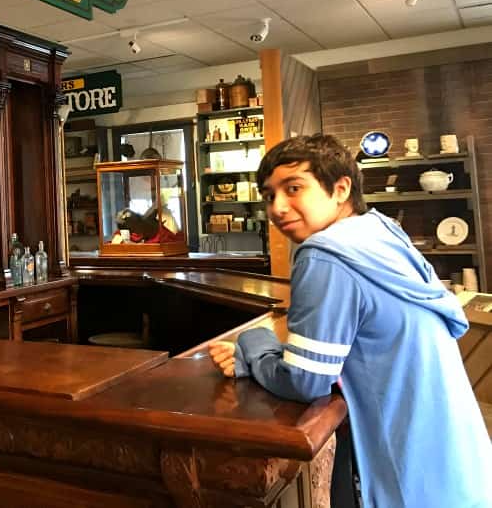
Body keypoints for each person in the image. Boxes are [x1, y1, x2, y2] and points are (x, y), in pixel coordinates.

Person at [208, 134, 492, 508]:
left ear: (340, 188)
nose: (277, 207)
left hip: (405, 472)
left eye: (294, 188)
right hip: (459, 457)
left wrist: (254, 343)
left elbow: (305, 381)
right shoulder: (381, 229)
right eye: (268, 194)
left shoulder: (324, 256)